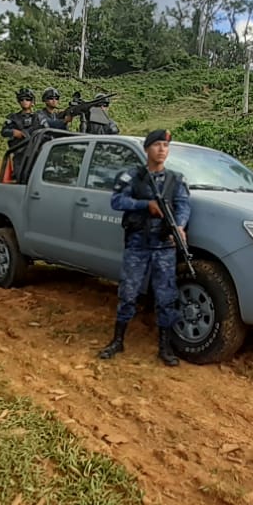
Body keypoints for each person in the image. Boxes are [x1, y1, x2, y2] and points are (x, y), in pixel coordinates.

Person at [98, 129, 191, 366]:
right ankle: (118, 340)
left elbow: (183, 206)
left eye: (165, 146)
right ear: (147, 149)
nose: (162, 150)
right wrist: (145, 205)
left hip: (164, 245)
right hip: (138, 243)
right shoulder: (132, 176)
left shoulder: (175, 179)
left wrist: (179, 226)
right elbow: (116, 201)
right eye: (157, 145)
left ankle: (165, 347)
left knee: (166, 296)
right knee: (128, 293)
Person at [0, 88, 40, 182]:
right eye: (22, 99)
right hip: (19, 153)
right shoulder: (13, 118)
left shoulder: (38, 117)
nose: (24, 101)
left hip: (35, 153)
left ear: (32, 101)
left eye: (27, 99)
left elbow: (44, 131)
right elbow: (4, 131)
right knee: (19, 178)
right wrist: (14, 132)